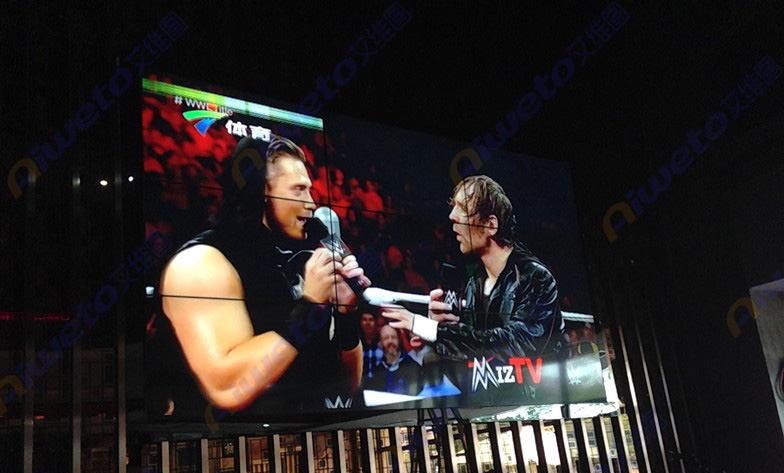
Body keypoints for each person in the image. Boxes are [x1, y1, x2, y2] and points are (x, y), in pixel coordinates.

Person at [158, 135, 369, 415]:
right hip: (226, 440)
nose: (311, 203)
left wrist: (346, 315)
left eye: (309, 190)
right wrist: (307, 308)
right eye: (298, 190)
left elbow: (346, 387)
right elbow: (228, 387)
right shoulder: (200, 263)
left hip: (315, 432)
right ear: (261, 193)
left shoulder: (297, 259)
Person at [382, 174, 565, 364]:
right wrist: (440, 338)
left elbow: (518, 345)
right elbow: (474, 361)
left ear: (490, 225)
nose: (452, 216)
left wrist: (431, 329)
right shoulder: (475, 284)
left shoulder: (535, 277)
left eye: (463, 208)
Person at [366, 324, 422, 395]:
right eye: (386, 338)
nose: (390, 341)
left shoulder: (412, 367)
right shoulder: (377, 372)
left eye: (393, 337)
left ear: (399, 340)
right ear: (380, 343)